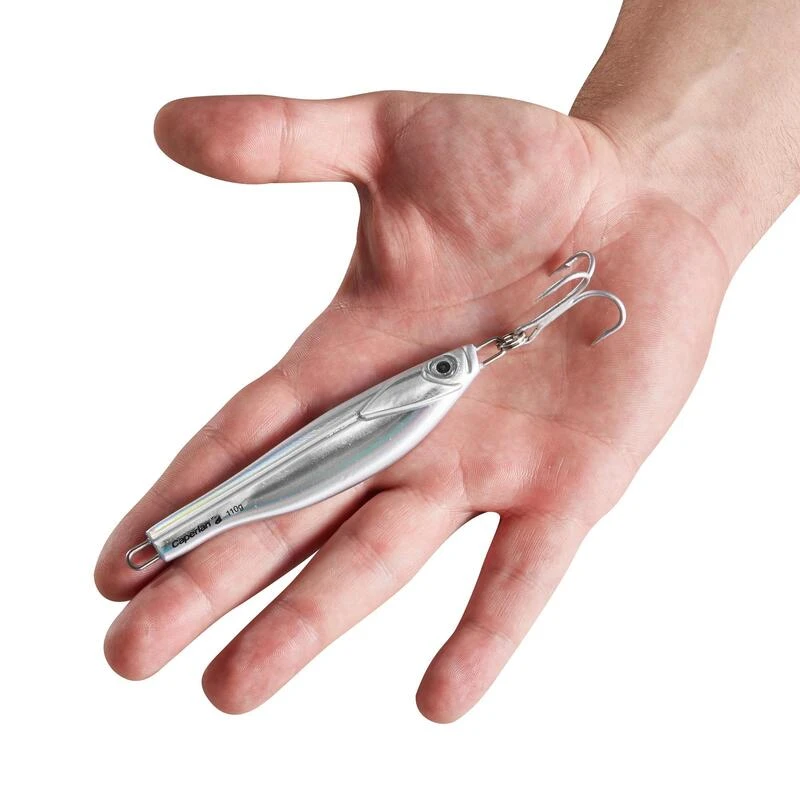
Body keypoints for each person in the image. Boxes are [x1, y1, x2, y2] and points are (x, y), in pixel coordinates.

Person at [94, 0, 800, 721]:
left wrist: (679, 189)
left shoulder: (454, 379)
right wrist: (662, 167)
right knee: (244, 496)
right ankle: (185, 530)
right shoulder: (461, 363)